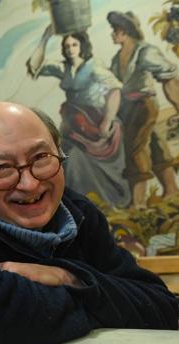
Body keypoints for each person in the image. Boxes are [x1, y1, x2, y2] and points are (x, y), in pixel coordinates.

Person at [0, 102, 179, 344]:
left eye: (40, 158)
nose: (29, 184)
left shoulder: (79, 214)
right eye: (2, 169)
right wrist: (105, 302)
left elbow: (159, 308)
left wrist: (68, 276)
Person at [27, 25, 130, 207]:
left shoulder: (93, 66)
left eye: (74, 45)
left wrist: (106, 122)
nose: (70, 49)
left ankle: (108, 204)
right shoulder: (64, 68)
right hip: (75, 128)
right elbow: (35, 65)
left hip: (96, 126)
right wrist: (45, 37)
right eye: (67, 46)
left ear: (82, 46)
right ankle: (85, 207)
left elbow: (114, 91)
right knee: (69, 160)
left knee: (78, 161)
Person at [107, 11, 179, 209]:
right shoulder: (118, 58)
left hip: (143, 105)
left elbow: (169, 74)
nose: (112, 34)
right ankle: (171, 189)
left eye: (114, 30)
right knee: (154, 145)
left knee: (135, 148)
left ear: (123, 31)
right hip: (127, 109)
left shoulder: (144, 51)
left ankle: (139, 201)